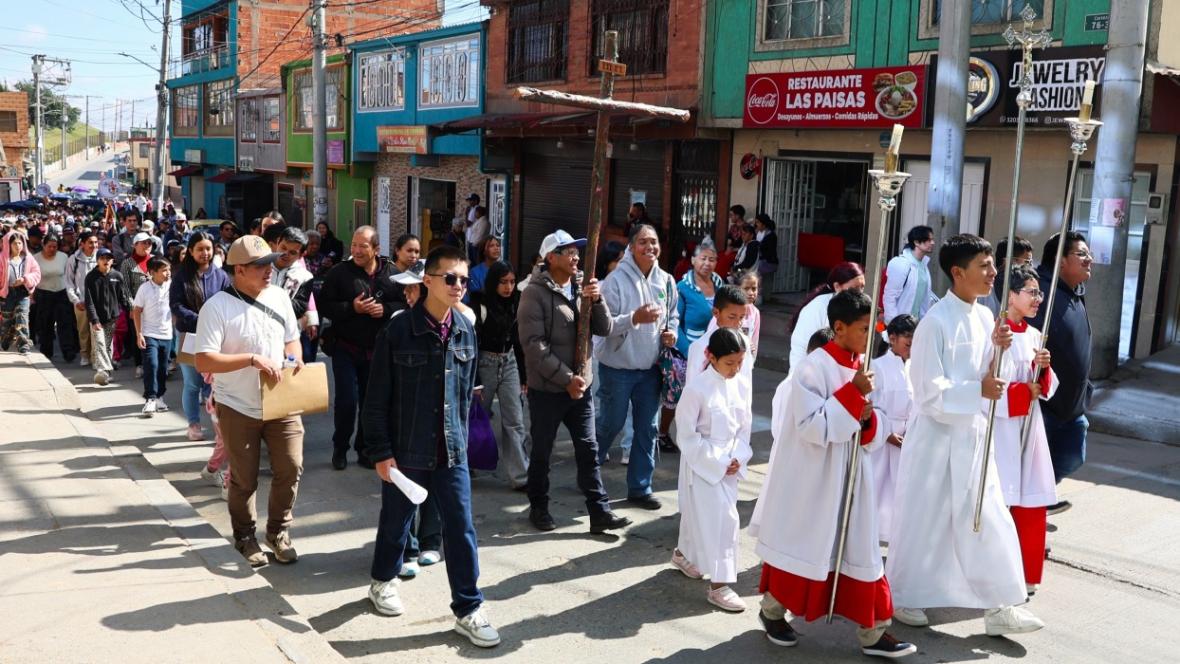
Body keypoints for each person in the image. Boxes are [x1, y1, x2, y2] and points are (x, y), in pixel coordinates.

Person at [886, 234, 1044, 636]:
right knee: (926, 520)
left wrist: (999, 352)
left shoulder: (985, 318)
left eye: (992, 265)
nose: (993, 273)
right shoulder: (934, 323)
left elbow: (992, 379)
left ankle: (1000, 604)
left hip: (973, 436)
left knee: (988, 516)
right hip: (936, 439)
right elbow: (927, 391)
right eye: (985, 266)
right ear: (958, 272)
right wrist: (978, 390)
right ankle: (906, 594)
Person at [753, 289, 916, 658]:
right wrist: (853, 395)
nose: (869, 336)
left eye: (871, 328)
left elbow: (870, 425)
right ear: (838, 327)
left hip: (854, 474)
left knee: (861, 551)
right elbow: (812, 427)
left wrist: (869, 417)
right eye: (862, 329)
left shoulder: (862, 365)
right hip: (815, 477)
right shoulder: (813, 367)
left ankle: (874, 631)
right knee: (806, 549)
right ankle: (772, 610)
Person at [362, 245, 501, 649]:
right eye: (450, 278)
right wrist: (381, 452)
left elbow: (464, 394)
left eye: (464, 279)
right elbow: (376, 399)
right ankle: (382, 581)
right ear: (428, 281)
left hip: (451, 449)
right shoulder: (399, 330)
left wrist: (464, 440)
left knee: (461, 528)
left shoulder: (465, 329)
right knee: (397, 521)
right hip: (406, 449)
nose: (459, 286)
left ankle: (469, 608)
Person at [195, 235, 305, 568]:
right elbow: (204, 361)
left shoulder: (279, 297)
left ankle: (278, 532)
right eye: (261, 266)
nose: (269, 270)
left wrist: (293, 358)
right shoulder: (217, 307)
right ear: (239, 270)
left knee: (291, 467)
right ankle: (245, 536)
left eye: (271, 262)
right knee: (245, 477)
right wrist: (252, 359)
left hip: (281, 401)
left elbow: (292, 340)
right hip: (237, 405)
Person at [518, 229, 631, 534]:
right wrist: (567, 378)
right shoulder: (534, 292)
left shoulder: (581, 286)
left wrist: (597, 300)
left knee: (589, 450)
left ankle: (600, 511)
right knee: (542, 450)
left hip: (579, 388)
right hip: (548, 389)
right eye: (568, 251)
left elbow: (604, 328)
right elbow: (534, 346)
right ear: (550, 258)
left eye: (577, 252)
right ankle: (538, 507)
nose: (575, 257)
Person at [595, 224, 679, 508]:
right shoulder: (614, 282)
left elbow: (674, 316)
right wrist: (634, 318)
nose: (650, 247)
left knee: (648, 428)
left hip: (651, 370)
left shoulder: (666, 280)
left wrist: (672, 333)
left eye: (654, 242)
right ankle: (589, 472)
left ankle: (640, 488)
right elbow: (603, 327)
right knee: (610, 424)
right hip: (617, 369)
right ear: (631, 247)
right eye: (643, 242)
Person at [671, 327, 753, 612]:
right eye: (729, 363)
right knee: (724, 521)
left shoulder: (741, 384)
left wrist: (738, 457)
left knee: (702, 517)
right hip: (703, 463)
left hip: (730, 461)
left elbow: (745, 428)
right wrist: (718, 462)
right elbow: (686, 435)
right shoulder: (696, 389)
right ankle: (720, 586)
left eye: (739, 362)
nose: (735, 369)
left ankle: (683, 554)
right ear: (710, 356)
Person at [993, 264, 1057, 595]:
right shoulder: (996, 334)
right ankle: (997, 576)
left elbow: (1047, 388)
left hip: (1029, 429)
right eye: (1031, 292)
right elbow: (987, 387)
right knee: (1000, 501)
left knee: (1030, 501)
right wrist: (1022, 392)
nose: (1038, 299)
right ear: (1010, 295)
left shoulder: (1034, 336)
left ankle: (1026, 575)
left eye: (1039, 292)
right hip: (1001, 432)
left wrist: (1041, 371)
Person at [318, 226, 403, 470]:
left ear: (376, 249)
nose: (356, 250)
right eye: (353, 245)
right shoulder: (339, 273)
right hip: (345, 347)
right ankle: (340, 447)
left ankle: (365, 449)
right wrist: (351, 308)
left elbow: (405, 303)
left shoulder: (392, 274)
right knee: (347, 400)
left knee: (371, 402)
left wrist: (385, 310)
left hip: (377, 351)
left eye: (362, 246)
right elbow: (324, 305)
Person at [1028, 231, 1092, 514]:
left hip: (1073, 404)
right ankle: (1035, 505)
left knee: (1073, 455)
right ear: (1060, 261)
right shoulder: (1041, 292)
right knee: (1035, 464)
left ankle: (1040, 499)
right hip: (1046, 405)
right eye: (1081, 254)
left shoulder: (1074, 292)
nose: (1089, 259)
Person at [471, 261, 531, 490]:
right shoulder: (480, 304)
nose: (508, 287)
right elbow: (473, 343)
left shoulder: (517, 303)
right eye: (503, 282)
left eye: (512, 282)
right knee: (478, 418)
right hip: (484, 363)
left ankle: (521, 477)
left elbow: (518, 340)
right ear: (493, 282)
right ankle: (466, 465)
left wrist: (524, 376)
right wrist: (475, 379)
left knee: (515, 421)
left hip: (510, 363)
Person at [660, 242, 722, 451]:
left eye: (711, 259)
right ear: (693, 260)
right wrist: (691, 352)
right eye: (702, 258)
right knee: (678, 397)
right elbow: (675, 322)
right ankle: (662, 433)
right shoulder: (683, 287)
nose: (707, 263)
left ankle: (700, 437)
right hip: (688, 352)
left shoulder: (719, 283)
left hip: (715, 351)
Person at [172, 231, 231, 441]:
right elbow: (176, 305)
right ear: (190, 251)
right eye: (200, 249)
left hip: (216, 337)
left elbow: (228, 303)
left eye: (208, 248)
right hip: (190, 335)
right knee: (192, 383)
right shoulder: (181, 276)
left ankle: (219, 428)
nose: (205, 253)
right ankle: (193, 424)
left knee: (215, 385)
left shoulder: (221, 275)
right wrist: (200, 319)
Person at [868, 314, 916, 544]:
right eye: (908, 341)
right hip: (881, 442)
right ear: (893, 338)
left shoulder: (914, 369)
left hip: (907, 441)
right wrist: (887, 434)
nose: (911, 347)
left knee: (901, 498)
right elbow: (871, 406)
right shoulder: (877, 367)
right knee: (875, 493)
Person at [789, 262, 865, 374]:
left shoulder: (862, 309)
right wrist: (801, 378)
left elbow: (861, 349)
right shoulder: (817, 307)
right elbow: (801, 347)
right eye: (854, 288)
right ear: (837, 287)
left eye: (862, 287)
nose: (860, 293)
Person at [132, 257, 174, 417]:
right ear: (152, 273)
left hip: (167, 334)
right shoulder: (144, 288)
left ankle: (159, 397)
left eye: (169, 269)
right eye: (163, 270)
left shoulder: (172, 286)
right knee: (152, 365)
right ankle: (150, 399)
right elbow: (136, 310)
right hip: (149, 334)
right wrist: (139, 333)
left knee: (163, 369)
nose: (167, 273)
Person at [84, 248, 129, 385]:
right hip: (97, 317)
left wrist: (131, 309)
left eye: (108, 258)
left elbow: (123, 297)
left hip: (112, 317)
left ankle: (106, 373)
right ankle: (102, 371)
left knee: (108, 345)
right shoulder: (91, 277)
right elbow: (89, 300)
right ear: (97, 260)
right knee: (99, 342)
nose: (106, 261)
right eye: (102, 258)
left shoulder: (117, 276)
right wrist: (94, 319)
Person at [33, 234, 78, 361]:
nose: (52, 249)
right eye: (50, 246)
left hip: (61, 293)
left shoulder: (63, 257)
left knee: (65, 323)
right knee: (45, 324)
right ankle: (46, 351)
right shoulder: (35, 258)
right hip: (43, 294)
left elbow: (69, 275)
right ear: (44, 245)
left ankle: (68, 351)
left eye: (55, 246)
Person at [883, 226, 939, 324]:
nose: (932, 243)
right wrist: (893, 324)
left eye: (932, 240)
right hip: (900, 326)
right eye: (928, 240)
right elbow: (890, 296)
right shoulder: (901, 263)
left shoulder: (923, 266)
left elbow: (923, 298)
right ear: (916, 242)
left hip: (915, 324)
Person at [120, 232, 155, 378]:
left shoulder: (155, 260)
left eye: (149, 243)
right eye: (143, 243)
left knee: (153, 335)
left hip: (154, 306)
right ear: (135, 245)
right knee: (138, 335)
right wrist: (132, 307)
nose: (147, 245)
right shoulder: (127, 263)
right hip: (137, 307)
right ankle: (139, 364)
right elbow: (125, 288)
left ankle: (154, 364)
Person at [1, 230, 41, 354]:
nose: (18, 246)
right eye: (15, 244)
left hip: (22, 293)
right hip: (7, 294)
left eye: (20, 243)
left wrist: (25, 279)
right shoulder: (3, 259)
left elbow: (37, 274)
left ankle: (23, 345)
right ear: (9, 244)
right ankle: (5, 337)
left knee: (22, 317)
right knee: (7, 320)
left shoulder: (28, 259)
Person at [65, 230, 100, 366]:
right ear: (82, 244)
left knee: (97, 330)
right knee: (83, 330)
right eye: (90, 242)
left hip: (98, 301)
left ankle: (96, 356)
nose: (94, 245)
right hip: (81, 301)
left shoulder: (101, 257)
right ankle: (84, 354)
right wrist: (75, 300)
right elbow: (68, 282)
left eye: (96, 242)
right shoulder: (73, 259)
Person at [981, 236, 1033, 317]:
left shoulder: (1024, 290)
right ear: (1009, 261)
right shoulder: (985, 290)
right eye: (1027, 262)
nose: (1030, 267)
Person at [735, 270, 763, 359]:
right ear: (737, 288)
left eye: (754, 288)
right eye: (746, 288)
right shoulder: (727, 310)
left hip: (745, 361)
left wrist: (751, 363)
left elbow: (754, 340)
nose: (751, 293)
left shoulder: (755, 313)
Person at [466, 235, 501, 301]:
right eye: (491, 246)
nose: (496, 248)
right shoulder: (474, 272)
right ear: (484, 251)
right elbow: (475, 296)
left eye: (497, 245)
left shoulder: (504, 269)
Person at [753, 213, 779, 281]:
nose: (756, 225)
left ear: (764, 224)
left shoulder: (771, 236)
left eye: (758, 222)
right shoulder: (757, 233)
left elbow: (768, 252)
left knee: (765, 285)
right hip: (759, 263)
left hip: (767, 263)